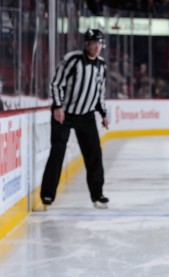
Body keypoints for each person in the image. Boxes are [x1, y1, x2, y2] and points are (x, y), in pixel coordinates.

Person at [41, 28, 110, 209]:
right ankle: (48, 195)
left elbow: (99, 94)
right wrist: (57, 106)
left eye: (99, 43)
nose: (96, 47)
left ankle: (97, 194)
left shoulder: (102, 66)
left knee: (94, 154)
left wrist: (103, 114)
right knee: (58, 152)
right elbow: (56, 83)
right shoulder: (73, 60)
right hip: (64, 114)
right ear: (86, 44)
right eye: (93, 43)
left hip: (86, 116)